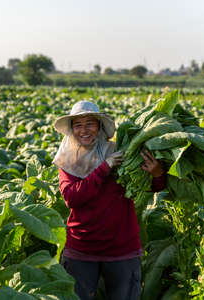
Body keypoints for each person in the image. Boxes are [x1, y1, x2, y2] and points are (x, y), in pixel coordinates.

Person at [53, 101, 166, 300]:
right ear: (71, 130)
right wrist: (104, 168)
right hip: (82, 248)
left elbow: (147, 185)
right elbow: (73, 197)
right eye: (78, 125)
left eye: (90, 123)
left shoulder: (120, 152)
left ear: (99, 127)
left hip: (122, 247)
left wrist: (157, 174)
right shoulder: (68, 161)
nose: (84, 130)